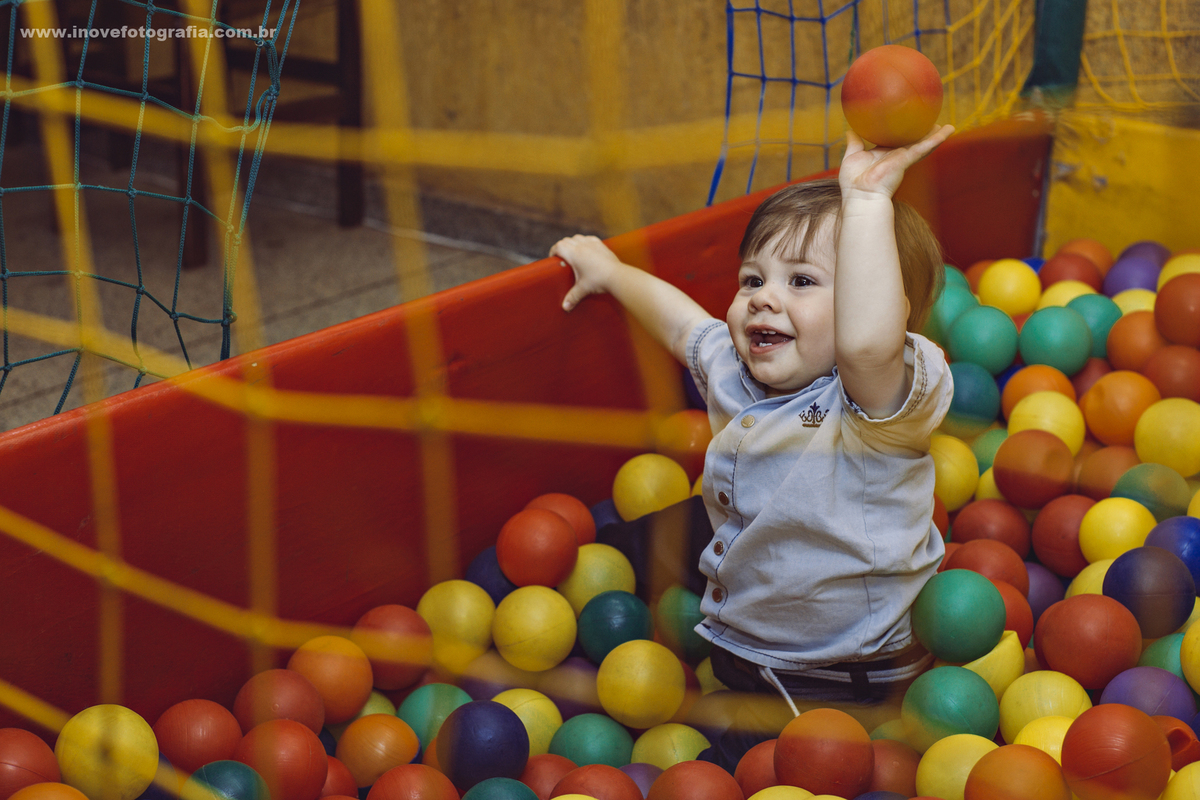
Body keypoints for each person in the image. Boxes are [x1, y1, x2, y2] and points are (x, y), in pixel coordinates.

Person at [549, 123, 956, 771]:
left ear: (878, 306)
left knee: (741, 772)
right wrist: (613, 273)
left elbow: (866, 345)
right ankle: (620, 558)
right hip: (749, 586)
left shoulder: (876, 408)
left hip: (828, 669)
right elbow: (683, 326)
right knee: (647, 538)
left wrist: (867, 203)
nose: (763, 297)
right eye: (752, 279)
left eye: (802, 282)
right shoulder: (739, 370)